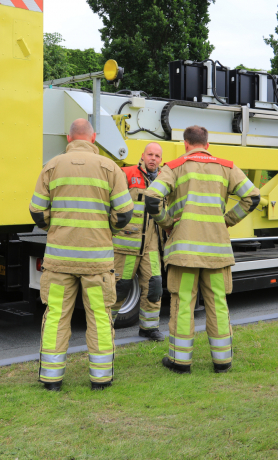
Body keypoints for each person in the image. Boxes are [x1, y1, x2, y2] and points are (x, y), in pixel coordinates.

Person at [144, 126, 261, 374]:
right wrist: (226, 220)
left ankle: (180, 361)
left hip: (184, 252)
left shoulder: (174, 166)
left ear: (186, 144)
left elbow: (152, 198)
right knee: (218, 303)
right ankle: (222, 361)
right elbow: (252, 197)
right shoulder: (227, 166)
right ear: (207, 144)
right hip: (217, 252)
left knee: (183, 303)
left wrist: (166, 222)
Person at [29, 118, 133, 391]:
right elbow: (124, 214)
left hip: (59, 260)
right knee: (99, 316)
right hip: (96, 261)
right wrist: (105, 228)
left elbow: (37, 211)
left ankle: (51, 379)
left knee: (56, 316)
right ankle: (101, 378)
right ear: (93, 137)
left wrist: (55, 226)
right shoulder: (110, 167)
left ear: (68, 138)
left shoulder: (50, 166)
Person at [112, 142, 165, 341]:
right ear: (142, 156)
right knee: (120, 287)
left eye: (157, 156)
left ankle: (149, 328)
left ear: (160, 159)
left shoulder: (163, 179)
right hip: (126, 244)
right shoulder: (126, 174)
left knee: (154, 286)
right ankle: (105, 327)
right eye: (150, 154)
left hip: (151, 245)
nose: (153, 158)